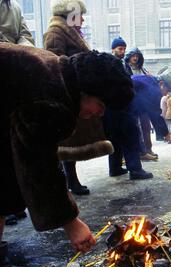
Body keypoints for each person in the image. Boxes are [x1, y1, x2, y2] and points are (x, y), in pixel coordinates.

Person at [0, 43, 134, 267]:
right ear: (88, 90)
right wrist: (71, 223)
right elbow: (38, 165)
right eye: (101, 106)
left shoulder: (56, 72)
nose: (99, 114)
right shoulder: (52, 97)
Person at [44, 0, 113, 196]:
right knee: (67, 140)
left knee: (72, 139)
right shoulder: (56, 32)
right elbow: (56, 63)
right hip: (69, 93)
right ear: (69, 13)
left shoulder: (72, 32)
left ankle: (71, 181)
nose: (82, 18)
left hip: (78, 92)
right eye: (79, 14)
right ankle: (68, 182)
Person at [0, 0, 35, 225]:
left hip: (10, 77)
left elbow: (26, 36)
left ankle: (8, 205)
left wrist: (21, 53)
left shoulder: (15, 8)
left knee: (9, 148)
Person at [103, 37, 154, 180]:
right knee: (131, 136)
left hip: (115, 107)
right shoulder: (111, 63)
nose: (122, 51)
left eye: (124, 49)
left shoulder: (119, 63)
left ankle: (115, 167)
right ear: (113, 49)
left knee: (116, 139)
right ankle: (135, 170)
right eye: (120, 49)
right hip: (120, 106)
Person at [124, 47, 158, 161]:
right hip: (132, 101)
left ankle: (148, 149)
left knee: (146, 126)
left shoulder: (142, 69)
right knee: (134, 128)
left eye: (137, 56)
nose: (135, 58)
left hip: (142, 102)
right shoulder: (125, 68)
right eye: (133, 56)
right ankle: (140, 151)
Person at [129, 73, 171, 147]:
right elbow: (156, 114)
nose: (166, 94)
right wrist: (168, 136)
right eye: (167, 91)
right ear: (161, 84)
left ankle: (142, 153)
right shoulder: (154, 89)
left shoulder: (150, 81)